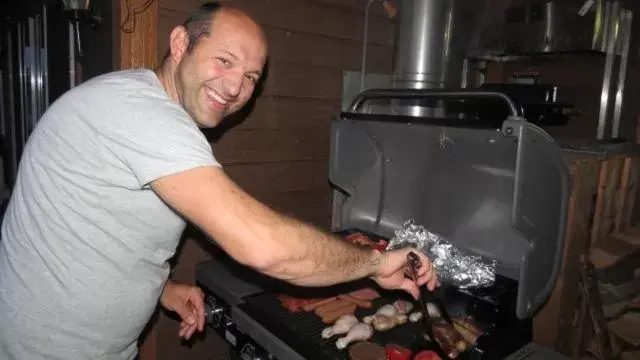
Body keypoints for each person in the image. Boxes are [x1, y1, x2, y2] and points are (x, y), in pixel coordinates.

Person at [0, 2, 439, 360]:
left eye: (250, 77)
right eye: (224, 61)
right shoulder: (144, 114)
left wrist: (161, 290)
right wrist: (377, 263)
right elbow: (264, 247)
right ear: (180, 44)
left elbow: (94, 230)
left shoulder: (139, 108)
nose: (234, 88)